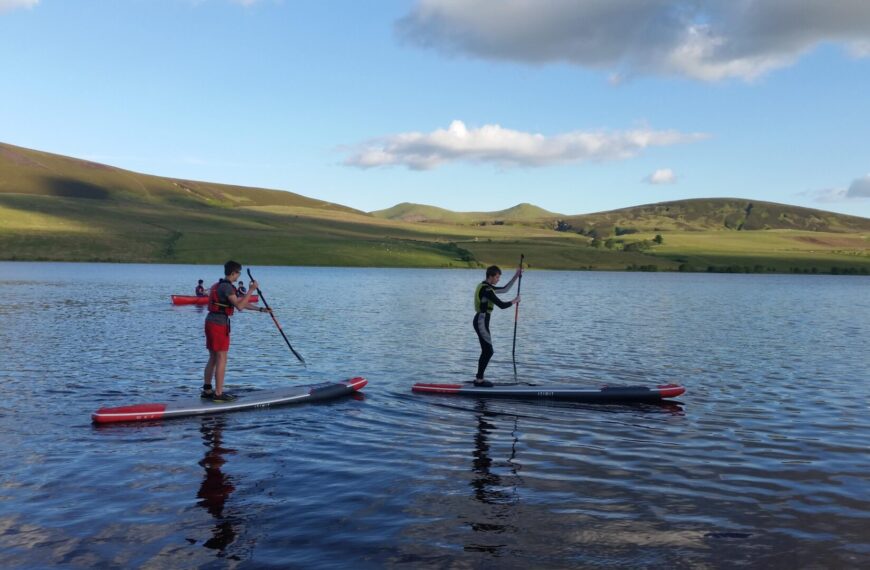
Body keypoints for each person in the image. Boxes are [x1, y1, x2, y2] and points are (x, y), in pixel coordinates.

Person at [202, 261, 270, 402]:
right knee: (222, 358)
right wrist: (251, 290)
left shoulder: (219, 285)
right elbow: (239, 306)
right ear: (233, 273)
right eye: (238, 273)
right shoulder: (227, 287)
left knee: (213, 357)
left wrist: (261, 310)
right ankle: (219, 394)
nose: (239, 275)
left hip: (210, 321)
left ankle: (207, 390)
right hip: (219, 324)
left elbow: (240, 302)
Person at [472, 264, 521, 387]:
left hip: (481, 321)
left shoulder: (487, 287)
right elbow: (502, 305)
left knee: (486, 350)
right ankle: (479, 380)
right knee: (488, 351)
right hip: (481, 321)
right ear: (491, 276)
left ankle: (479, 378)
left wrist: (516, 275)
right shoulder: (486, 290)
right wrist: (514, 301)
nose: (498, 279)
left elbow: (505, 289)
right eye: (497, 277)